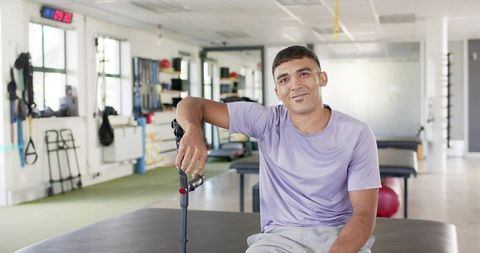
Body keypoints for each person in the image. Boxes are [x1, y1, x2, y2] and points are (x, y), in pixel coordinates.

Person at [175, 45, 381, 253]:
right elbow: (191, 104)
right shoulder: (265, 121)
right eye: (284, 80)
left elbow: (363, 213)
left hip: (338, 236)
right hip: (279, 239)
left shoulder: (357, 133)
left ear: (322, 78)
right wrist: (193, 130)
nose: (295, 85)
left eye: (304, 74)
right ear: (277, 92)